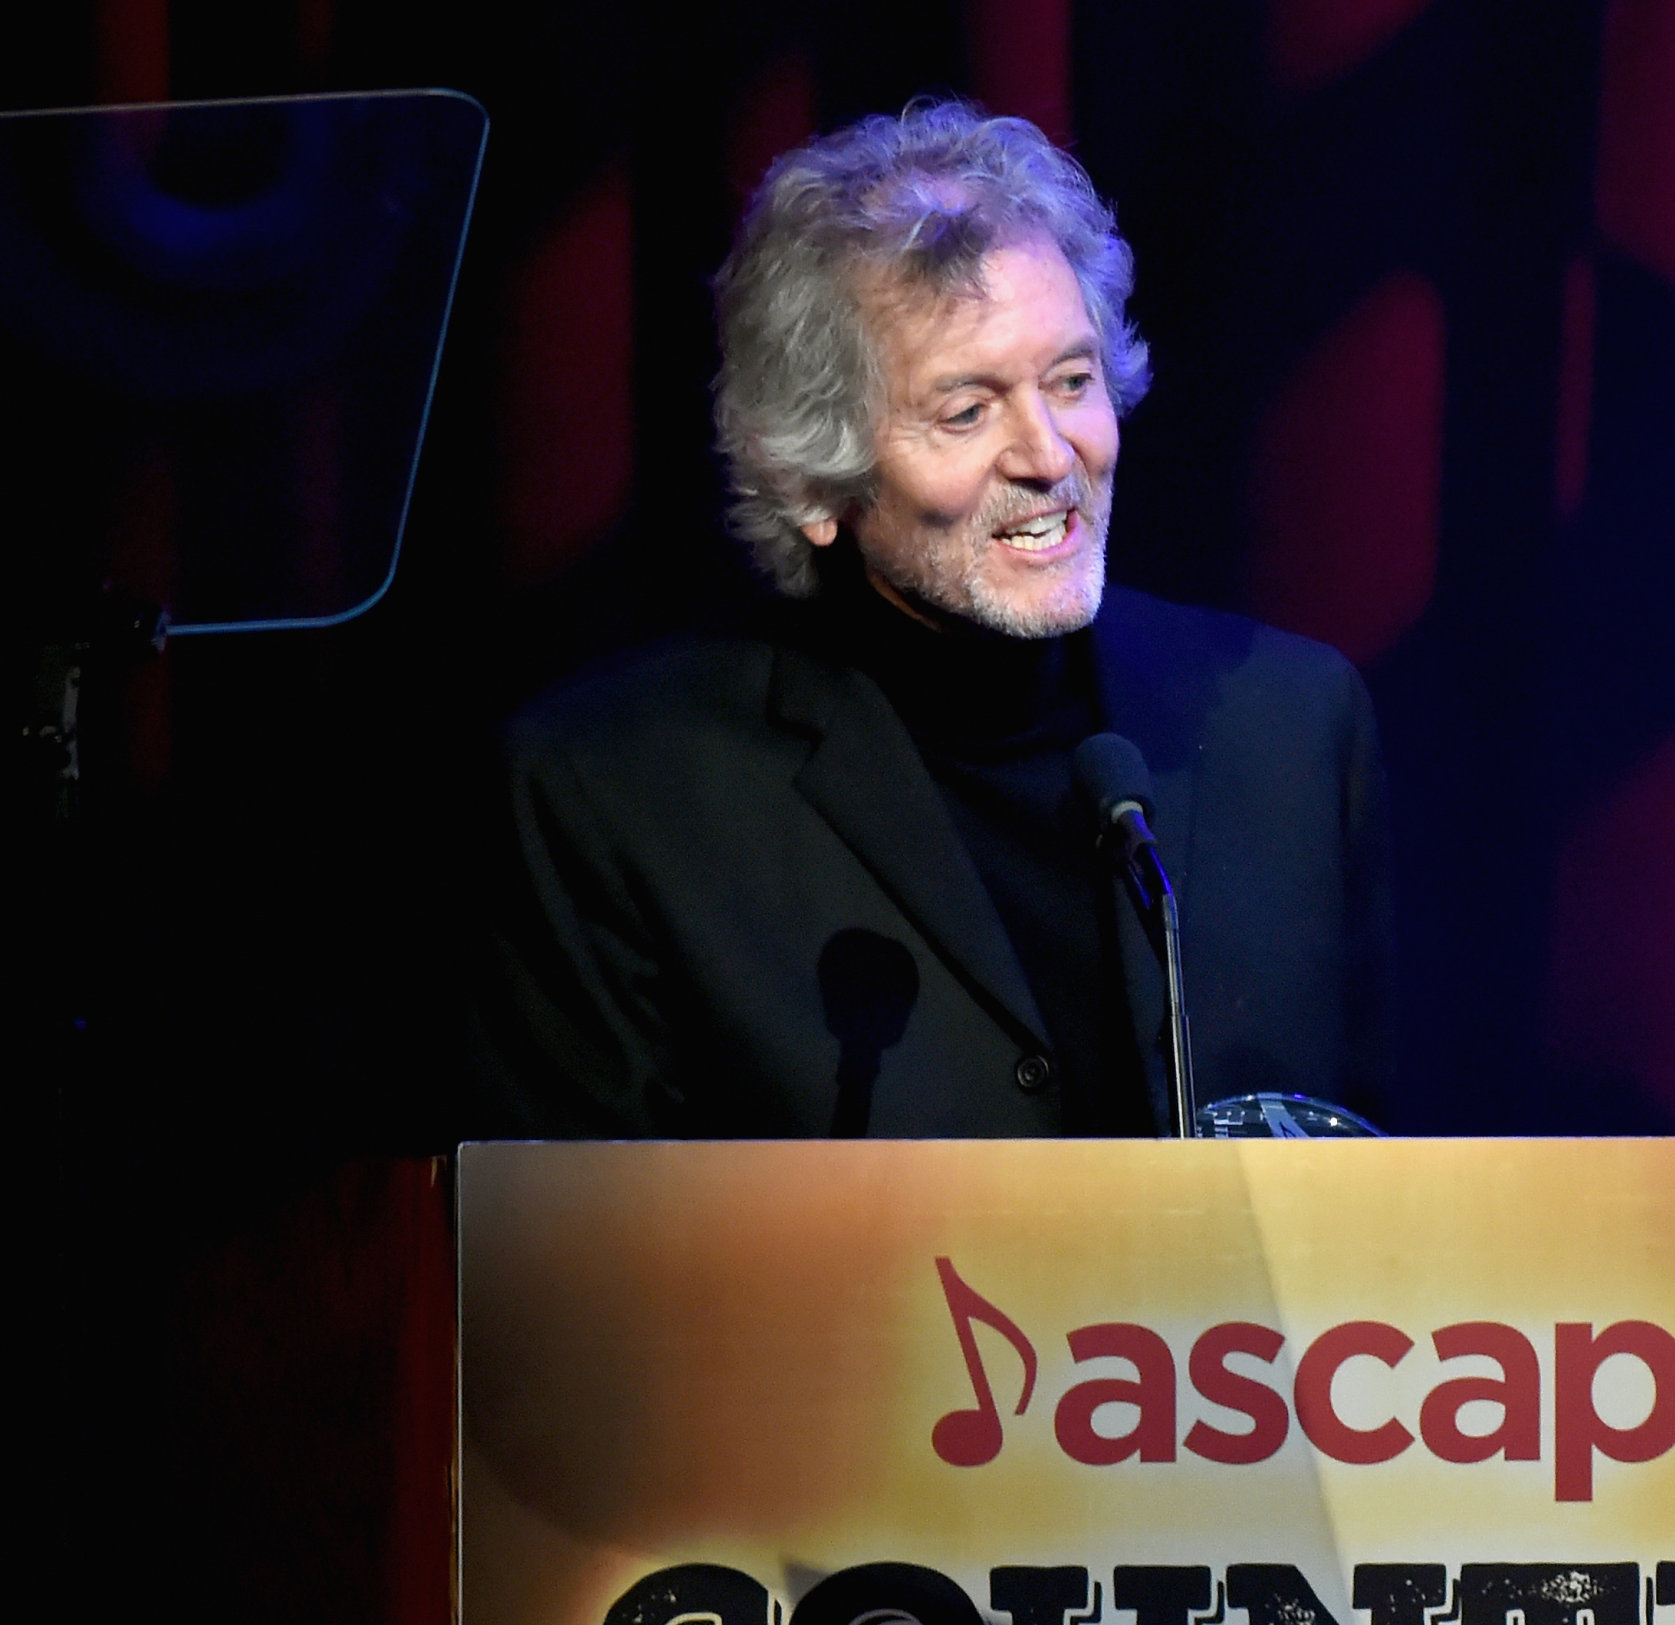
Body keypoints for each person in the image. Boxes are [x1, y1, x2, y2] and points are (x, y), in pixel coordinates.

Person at [470, 99, 1392, 1139]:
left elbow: (1389, 1209)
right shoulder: (616, 799)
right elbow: (587, 1271)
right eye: (966, 411)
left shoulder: (1292, 728)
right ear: (815, 481)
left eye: (1070, 381)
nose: (1049, 456)